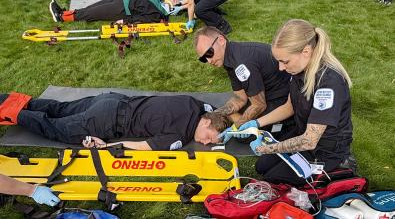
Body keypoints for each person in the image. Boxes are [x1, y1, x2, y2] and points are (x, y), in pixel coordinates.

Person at [232, 19, 356, 186]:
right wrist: (256, 122)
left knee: (273, 179)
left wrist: (269, 148)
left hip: (324, 149)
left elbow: (309, 140)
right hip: (301, 132)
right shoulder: (299, 70)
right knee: (262, 167)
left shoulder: (329, 83)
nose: (280, 68)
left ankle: (342, 164)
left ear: (305, 51)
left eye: (285, 61)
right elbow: (289, 106)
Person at [0, 92, 229, 150]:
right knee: (55, 128)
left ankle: (9, 100)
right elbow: (142, 147)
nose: (207, 143)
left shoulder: (195, 104)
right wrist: (105, 146)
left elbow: (212, 108)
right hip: (106, 121)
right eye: (210, 138)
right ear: (207, 123)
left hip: (111, 100)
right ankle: (11, 112)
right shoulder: (179, 136)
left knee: (60, 108)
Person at [194, 26, 294, 141]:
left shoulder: (242, 62)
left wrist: (236, 127)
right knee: (235, 114)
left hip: (285, 99)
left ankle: (285, 125)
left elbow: (259, 105)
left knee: (243, 136)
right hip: (267, 94)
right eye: (203, 59)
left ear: (221, 40)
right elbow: (240, 98)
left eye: (209, 53)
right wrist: (215, 113)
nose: (209, 61)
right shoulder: (230, 58)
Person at [49, 0, 196, 29]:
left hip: (124, 10)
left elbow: (145, 19)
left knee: (93, 13)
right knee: (93, 7)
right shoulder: (161, 1)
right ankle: (65, 12)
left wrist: (125, 21)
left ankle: (61, 17)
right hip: (124, 0)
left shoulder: (158, 12)